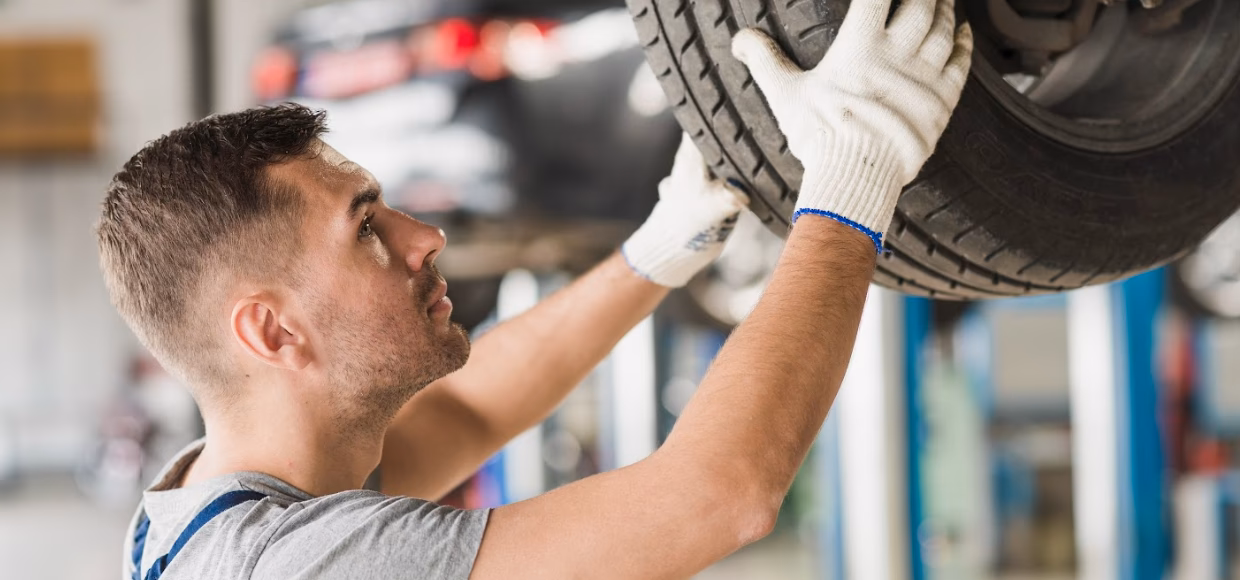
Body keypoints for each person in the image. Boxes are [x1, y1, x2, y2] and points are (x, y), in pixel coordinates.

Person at [99, 0, 971, 577]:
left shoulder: (220, 506)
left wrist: (658, 252)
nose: (425, 236)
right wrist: (856, 175)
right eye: (366, 228)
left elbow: (466, 414)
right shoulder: (298, 567)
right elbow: (719, 497)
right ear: (272, 332)